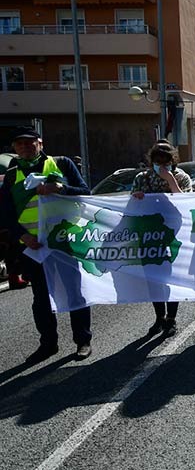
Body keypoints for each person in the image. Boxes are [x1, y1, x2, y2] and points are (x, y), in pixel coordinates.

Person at [0, 128, 92, 362]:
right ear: (14, 148)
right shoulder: (11, 175)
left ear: (40, 143)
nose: (25, 147)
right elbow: (6, 213)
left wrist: (62, 189)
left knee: (74, 292)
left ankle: (83, 341)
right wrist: (23, 237)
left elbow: (85, 193)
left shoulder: (62, 164)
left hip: (64, 242)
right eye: (20, 144)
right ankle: (48, 344)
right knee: (41, 298)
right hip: (34, 246)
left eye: (30, 143)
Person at [131, 142, 193, 338]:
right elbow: (130, 206)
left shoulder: (182, 177)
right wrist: (137, 197)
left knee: (171, 278)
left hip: (172, 235)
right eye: (157, 162)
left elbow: (186, 203)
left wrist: (171, 181)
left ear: (172, 162)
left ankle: (171, 319)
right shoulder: (142, 178)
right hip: (149, 236)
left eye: (166, 162)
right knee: (154, 279)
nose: (161, 166)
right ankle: (159, 317)